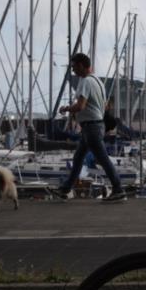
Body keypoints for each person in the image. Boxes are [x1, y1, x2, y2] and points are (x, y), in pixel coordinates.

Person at [52, 53, 126, 203]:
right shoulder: (97, 81)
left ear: (80, 65)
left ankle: (118, 189)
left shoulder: (85, 81)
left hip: (91, 127)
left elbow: (80, 105)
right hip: (95, 126)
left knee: (103, 159)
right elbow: (105, 105)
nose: (73, 70)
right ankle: (65, 189)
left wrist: (66, 109)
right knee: (78, 158)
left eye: (73, 67)